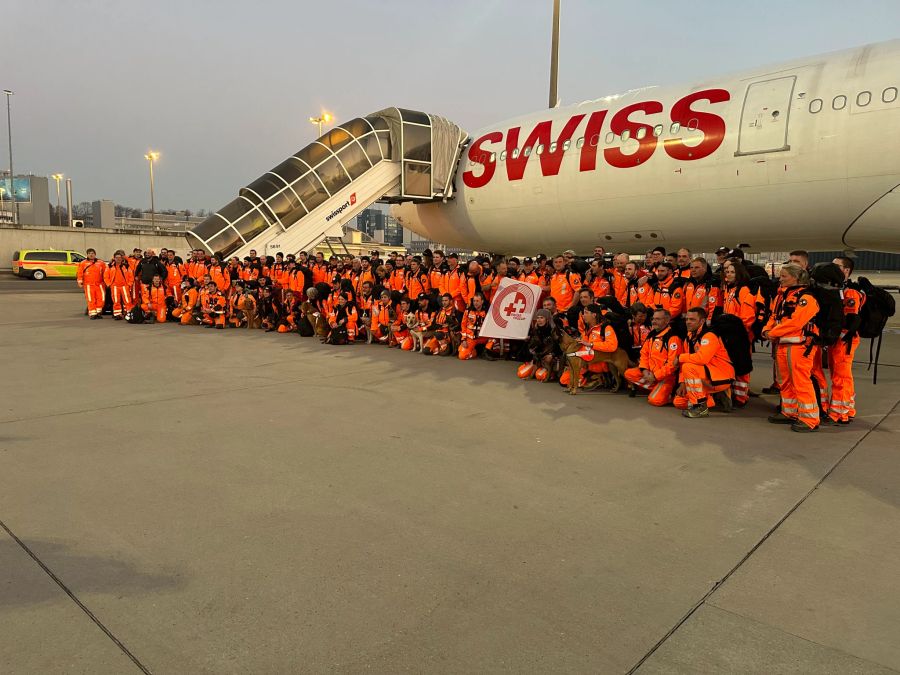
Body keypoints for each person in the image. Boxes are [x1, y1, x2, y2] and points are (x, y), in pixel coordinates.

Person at [762, 263, 820, 432]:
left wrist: (772, 332)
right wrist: (767, 329)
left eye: (784, 276)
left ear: (795, 278)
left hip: (800, 346)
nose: (780, 279)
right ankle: (789, 412)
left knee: (801, 381)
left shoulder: (806, 298)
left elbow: (796, 322)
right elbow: (774, 315)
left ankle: (809, 419)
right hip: (783, 344)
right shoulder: (782, 295)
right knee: (785, 381)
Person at [674, 307, 735, 417]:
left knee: (689, 366)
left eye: (692, 319)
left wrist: (679, 357)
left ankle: (700, 406)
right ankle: (710, 400)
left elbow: (702, 359)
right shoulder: (689, 336)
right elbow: (688, 360)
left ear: (702, 321)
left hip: (720, 375)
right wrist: (682, 383)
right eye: (687, 319)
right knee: (678, 402)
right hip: (706, 374)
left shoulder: (709, 336)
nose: (688, 322)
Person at [826, 256, 864, 424]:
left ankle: (838, 414)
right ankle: (847, 409)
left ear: (846, 270)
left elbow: (850, 320)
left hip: (844, 340)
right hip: (838, 340)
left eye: (836, 266)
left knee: (840, 377)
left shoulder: (850, 292)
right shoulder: (838, 289)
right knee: (840, 376)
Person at [624, 308, 682, 405]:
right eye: (653, 319)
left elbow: (673, 365)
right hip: (651, 373)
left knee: (655, 401)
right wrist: (645, 370)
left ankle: (667, 392)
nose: (654, 321)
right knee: (629, 374)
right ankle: (658, 389)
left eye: (658, 319)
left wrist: (655, 376)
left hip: (666, 377)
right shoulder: (652, 335)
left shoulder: (672, 337)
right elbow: (644, 354)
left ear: (667, 321)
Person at [721, 258, 756, 406]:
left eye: (732, 272)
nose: (728, 274)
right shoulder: (730, 290)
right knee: (732, 365)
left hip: (740, 335)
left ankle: (741, 398)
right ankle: (735, 395)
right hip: (730, 334)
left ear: (739, 274)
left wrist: (739, 332)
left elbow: (748, 316)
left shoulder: (743, 290)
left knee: (742, 367)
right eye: (727, 272)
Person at [77, 248, 108, 319]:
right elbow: (80, 273)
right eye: (89, 253)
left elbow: (106, 273)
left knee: (101, 299)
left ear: (95, 254)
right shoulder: (83, 263)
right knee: (91, 299)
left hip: (100, 284)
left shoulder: (101, 263)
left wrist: (106, 282)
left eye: (92, 253)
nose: (91, 255)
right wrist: (80, 281)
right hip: (88, 285)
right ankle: (93, 313)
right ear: (87, 255)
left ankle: (98, 312)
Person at [104, 250, 134, 320]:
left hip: (124, 286)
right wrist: (109, 284)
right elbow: (106, 276)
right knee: (116, 301)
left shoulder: (126, 266)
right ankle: (117, 314)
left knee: (127, 301)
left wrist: (129, 284)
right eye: (116, 257)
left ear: (122, 258)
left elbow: (131, 276)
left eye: (119, 258)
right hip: (114, 286)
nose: (118, 259)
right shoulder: (110, 266)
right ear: (114, 258)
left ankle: (129, 313)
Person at [458, 292, 488, 360]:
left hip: (483, 337)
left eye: (477, 301)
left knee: (493, 338)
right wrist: (463, 339)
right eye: (474, 301)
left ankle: (487, 351)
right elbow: (463, 326)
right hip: (471, 338)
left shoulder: (486, 312)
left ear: (482, 301)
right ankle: (473, 351)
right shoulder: (468, 311)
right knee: (462, 356)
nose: (475, 303)